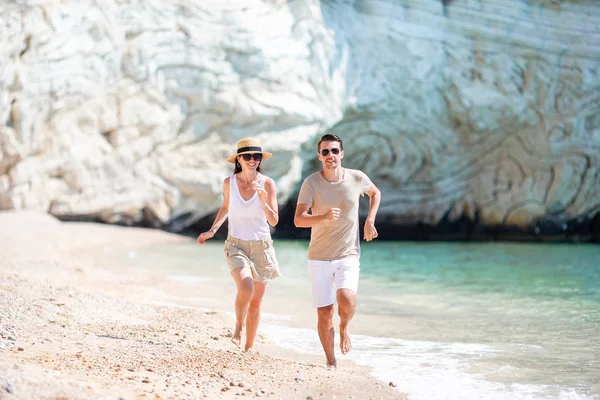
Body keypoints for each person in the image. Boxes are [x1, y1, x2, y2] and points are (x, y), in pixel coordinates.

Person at [293, 133, 381, 368]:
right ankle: (331, 362)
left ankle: (344, 327)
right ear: (319, 156)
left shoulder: (357, 177)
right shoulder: (311, 183)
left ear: (342, 154)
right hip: (319, 256)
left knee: (347, 297)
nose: (330, 155)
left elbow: (375, 194)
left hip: (348, 253)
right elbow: (299, 220)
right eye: (325, 152)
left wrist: (369, 220)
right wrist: (322, 217)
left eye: (334, 151)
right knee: (324, 313)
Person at [197, 137, 281, 352]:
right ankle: (238, 327)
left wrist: (263, 202)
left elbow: (274, 221)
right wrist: (212, 230)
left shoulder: (268, 183)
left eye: (256, 156)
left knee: (256, 302)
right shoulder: (229, 182)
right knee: (246, 287)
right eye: (247, 156)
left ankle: (249, 348)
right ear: (239, 159)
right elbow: (225, 207)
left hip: (262, 247)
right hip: (236, 244)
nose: (252, 160)